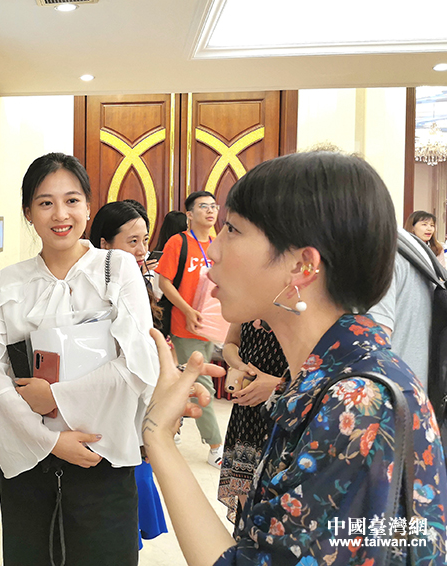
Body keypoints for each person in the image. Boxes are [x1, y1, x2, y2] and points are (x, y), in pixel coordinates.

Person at [142, 151, 447, 565]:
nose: (213, 249)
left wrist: (159, 437)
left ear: (302, 266)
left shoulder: (358, 403)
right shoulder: (327, 376)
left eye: (233, 229)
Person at [0, 152, 158, 566]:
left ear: (88, 206)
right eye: (45, 202)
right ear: (28, 212)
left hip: (102, 455)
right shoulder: (11, 281)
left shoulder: (117, 269)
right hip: (30, 463)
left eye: (72, 200)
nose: (60, 214)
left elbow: (138, 365)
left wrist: (55, 397)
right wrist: (48, 440)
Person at [89, 200, 168, 548]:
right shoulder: (92, 289)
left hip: (135, 415)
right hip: (104, 412)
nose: (141, 250)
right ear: (104, 244)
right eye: (132, 241)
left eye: (145, 240)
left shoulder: (139, 282)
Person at [155, 190, 224, 467]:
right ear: (190, 214)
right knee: (201, 383)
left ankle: (172, 426)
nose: (210, 211)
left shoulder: (219, 244)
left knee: (184, 382)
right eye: (203, 206)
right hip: (185, 327)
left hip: (212, 325)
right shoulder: (179, 242)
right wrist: (187, 310)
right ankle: (216, 446)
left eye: (213, 206)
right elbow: (164, 282)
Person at [218, 320, 288, 525]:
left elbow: (322, 368)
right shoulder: (247, 305)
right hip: (247, 411)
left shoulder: (302, 308)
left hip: (284, 409)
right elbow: (231, 343)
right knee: (245, 499)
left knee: (273, 506)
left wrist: (279, 386)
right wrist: (241, 366)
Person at [368, 227, 438, 391]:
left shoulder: (376, 249)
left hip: (387, 397)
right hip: (415, 394)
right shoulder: (414, 245)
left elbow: (371, 347)